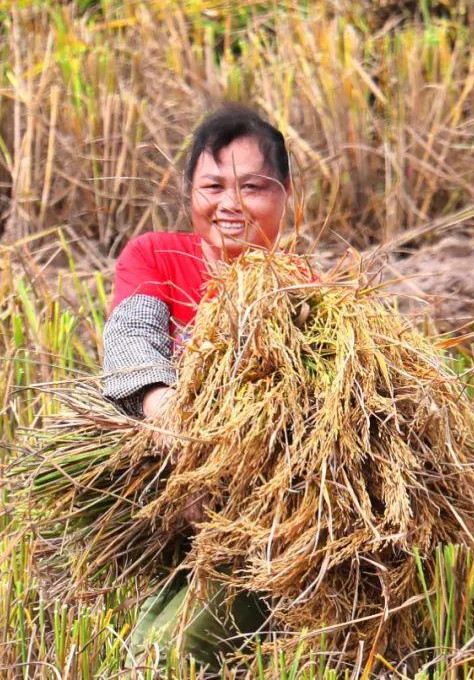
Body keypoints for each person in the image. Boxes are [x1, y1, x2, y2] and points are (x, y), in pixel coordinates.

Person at [100, 103, 292, 666]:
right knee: (143, 653)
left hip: (265, 524)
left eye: (253, 188)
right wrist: (166, 412)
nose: (230, 205)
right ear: (189, 192)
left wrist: (229, 477)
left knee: (176, 653)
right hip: (172, 496)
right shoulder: (155, 255)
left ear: (285, 195)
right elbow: (132, 339)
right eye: (213, 186)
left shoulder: (307, 291)